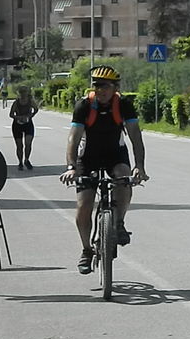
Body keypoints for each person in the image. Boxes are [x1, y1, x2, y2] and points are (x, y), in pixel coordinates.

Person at [59, 65, 149, 275]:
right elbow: (73, 139)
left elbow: (136, 137)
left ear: (115, 87)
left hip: (115, 155)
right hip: (88, 157)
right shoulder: (84, 106)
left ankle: (118, 223)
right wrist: (71, 167)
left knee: (124, 178)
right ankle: (86, 250)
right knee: (84, 205)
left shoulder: (124, 105)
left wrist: (140, 167)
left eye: (105, 86)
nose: (100, 90)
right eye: (96, 85)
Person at [9, 85, 39, 170]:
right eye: (21, 93)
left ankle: (26, 159)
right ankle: (20, 162)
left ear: (27, 93)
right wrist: (19, 117)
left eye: (24, 93)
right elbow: (11, 114)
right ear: (19, 94)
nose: (23, 95)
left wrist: (30, 116)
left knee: (28, 143)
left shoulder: (30, 101)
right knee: (19, 145)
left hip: (28, 124)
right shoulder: (16, 103)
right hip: (17, 124)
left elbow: (36, 109)